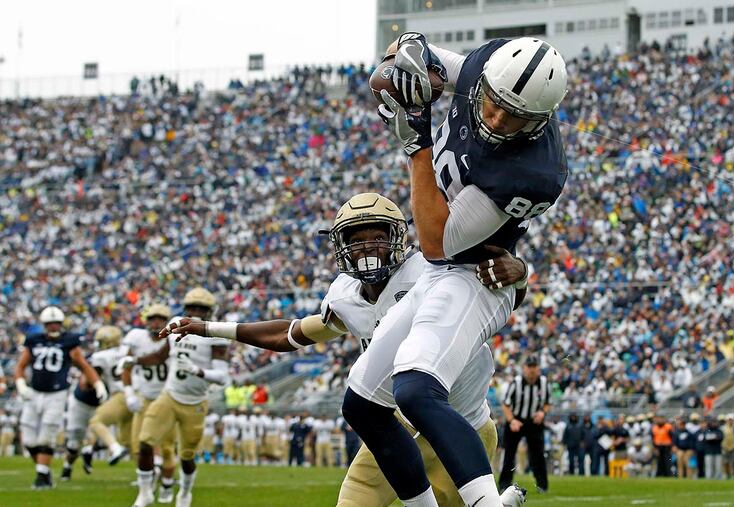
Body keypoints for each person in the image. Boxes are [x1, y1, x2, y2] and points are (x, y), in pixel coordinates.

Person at [163, 192, 527, 507]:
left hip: (457, 422)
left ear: (397, 238)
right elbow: (292, 334)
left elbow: (498, 291)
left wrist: (520, 272)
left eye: (376, 237)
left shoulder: (431, 271)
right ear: (342, 247)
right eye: (357, 239)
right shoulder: (345, 297)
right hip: (392, 424)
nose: (367, 247)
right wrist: (210, 328)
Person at [349, 31, 567, 507]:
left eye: (516, 116)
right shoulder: (483, 71)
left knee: (415, 389)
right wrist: (403, 62)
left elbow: (435, 241)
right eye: (493, 103)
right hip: (443, 272)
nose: (496, 118)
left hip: (477, 277)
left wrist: (415, 142)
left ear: (542, 119)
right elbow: (397, 70)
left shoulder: (532, 171)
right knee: (362, 404)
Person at [131, 288, 230, 507]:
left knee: (186, 456)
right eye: (192, 307)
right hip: (170, 395)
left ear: (209, 311)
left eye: (201, 309)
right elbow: (160, 354)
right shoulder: (176, 323)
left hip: (194, 402)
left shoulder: (217, 333)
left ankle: (185, 492)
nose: (195, 312)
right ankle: (145, 492)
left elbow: (222, 377)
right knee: (145, 442)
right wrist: (134, 361)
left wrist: (197, 371)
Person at [14, 306, 107, 489]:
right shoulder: (34, 340)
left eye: (56, 324)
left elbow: (83, 365)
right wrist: (20, 384)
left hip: (57, 393)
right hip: (34, 392)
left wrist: (97, 383)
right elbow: (21, 366)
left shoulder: (69, 342)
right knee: (29, 440)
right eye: (50, 324)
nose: (53, 327)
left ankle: (41, 475)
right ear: (44, 325)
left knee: (46, 435)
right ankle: (44, 471)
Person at [121, 303, 177, 502]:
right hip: (144, 396)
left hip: (167, 397)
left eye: (160, 319)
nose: (156, 323)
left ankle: (167, 484)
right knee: (139, 445)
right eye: (152, 319)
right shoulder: (137, 339)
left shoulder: (173, 338)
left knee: (168, 447)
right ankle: (148, 484)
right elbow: (125, 367)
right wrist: (129, 393)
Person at [61, 326, 124, 481]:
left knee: (99, 429)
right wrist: (98, 381)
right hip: (83, 402)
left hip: (103, 401)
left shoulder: (102, 356)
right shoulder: (111, 356)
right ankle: (68, 466)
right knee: (75, 441)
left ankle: (90, 449)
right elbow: (84, 384)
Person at [499, 356, 551, 492]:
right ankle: (504, 484)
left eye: (534, 367)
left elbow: (547, 402)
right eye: (529, 367)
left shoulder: (544, 383)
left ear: (538, 369)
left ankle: (542, 485)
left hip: (534, 421)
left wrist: (542, 413)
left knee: (538, 454)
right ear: (524, 369)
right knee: (509, 454)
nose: (532, 370)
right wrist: (511, 420)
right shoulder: (516, 383)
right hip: (516, 420)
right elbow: (505, 404)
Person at [87, 325, 133, 465]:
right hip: (135, 395)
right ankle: (152, 475)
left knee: (96, 421)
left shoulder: (100, 356)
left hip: (121, 395)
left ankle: (115, 448)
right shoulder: (128, 350)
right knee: (130, 441)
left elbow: (92, 378)